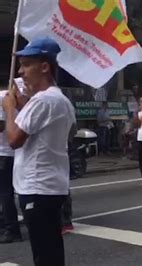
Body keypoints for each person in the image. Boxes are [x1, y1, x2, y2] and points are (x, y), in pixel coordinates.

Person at [2, 37, 76, 266]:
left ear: (44, 67)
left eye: (26, 65)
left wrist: (10, 108)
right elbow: (70, 133)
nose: (21, 72)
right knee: (50, 252)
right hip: (50, 186)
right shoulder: (59, 100)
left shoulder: (43, 100)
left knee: (44, 255)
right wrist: (23, 105)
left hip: (37, 187)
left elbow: (14, 139)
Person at [0, 90, 22, 244]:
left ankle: (12, 229)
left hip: (4, 153)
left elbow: (1, 125)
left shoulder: (3, 97)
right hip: (9, 153)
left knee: (5, 193)